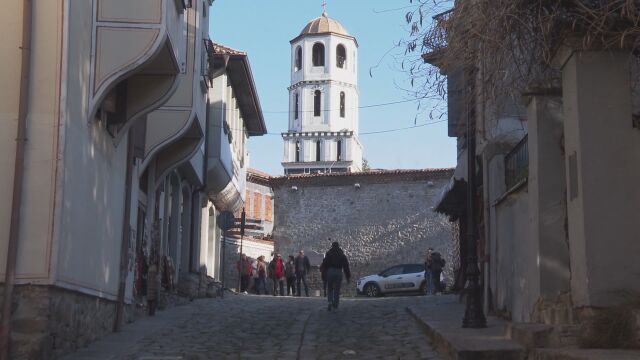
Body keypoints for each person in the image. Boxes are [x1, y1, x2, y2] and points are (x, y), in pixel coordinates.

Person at [321, 241, 351, 311]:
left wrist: (324, 275)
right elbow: (346, 266)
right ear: (338, 246)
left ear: (332, 246)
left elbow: (325, 264)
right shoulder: (342, 255)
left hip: (330, 271)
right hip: (339, 272)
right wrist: (348, 277)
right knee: (337, 289)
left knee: (330, 288)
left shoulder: (329, 254)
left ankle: (330, 302)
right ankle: (336, 303)